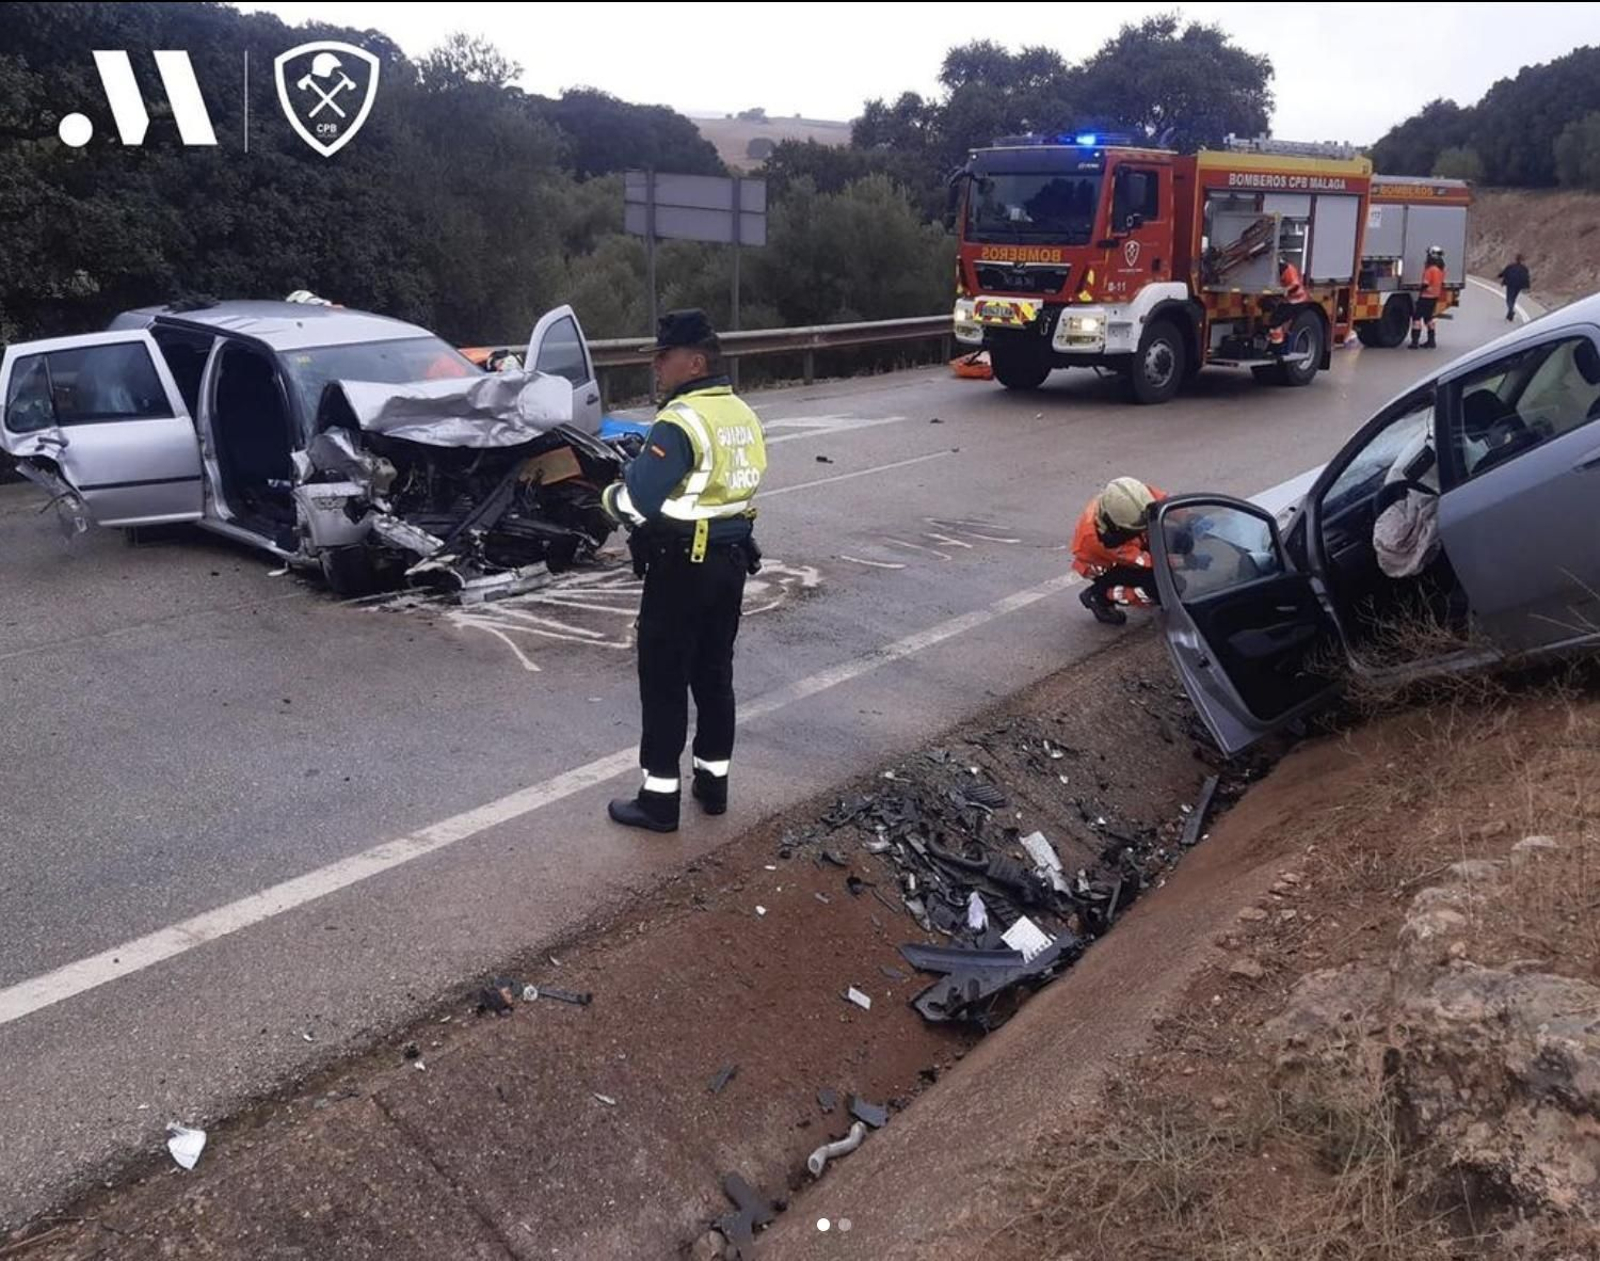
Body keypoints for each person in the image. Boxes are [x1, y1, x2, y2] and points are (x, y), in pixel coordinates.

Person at [601, 310, 767, 834]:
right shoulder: (740, 413)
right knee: (715, 676)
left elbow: (637, 503)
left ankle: (658, 802)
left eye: (663, 357)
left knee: (665, 681)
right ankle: (713, 788)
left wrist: (608, 494)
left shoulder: (680, 420)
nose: (656, 366)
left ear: (695, 363)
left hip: (682, 569)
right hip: (731, 561)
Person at [1072, 477, 1167, 625]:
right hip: (1106, 564)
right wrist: (1176, 562)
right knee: (1160, 588)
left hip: (1135, 543)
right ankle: (1100, 596)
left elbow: (1167, 507)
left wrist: (1194, 522)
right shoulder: (1102, 540)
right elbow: (1143, 561)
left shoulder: (1138, 496)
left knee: (1183, 542)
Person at [1268, 257, 1310, 353]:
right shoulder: (1283, 269)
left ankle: (1277, 347)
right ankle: (1278, 346)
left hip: (1296, 301)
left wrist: (1283, 291)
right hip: (1291, 301)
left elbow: (1294, 285)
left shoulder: (1288, 270)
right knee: (1280, 322)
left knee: (1276, 320)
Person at [1411, 246, 1447, 349]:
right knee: (1428, 318)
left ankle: (1415, 342)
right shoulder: (1441, 270)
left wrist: (1418, 289)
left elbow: (1426, 284)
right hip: (1434, 297)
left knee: (1417, 317)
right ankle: (1431, 341)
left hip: (1426, 296)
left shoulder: (1430, 270)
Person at [1497, 254, 1531, 323]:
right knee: (1513, 298)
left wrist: (1499, 276)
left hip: (1510, 284)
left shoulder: (1510, 266)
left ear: (1516, 259)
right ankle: (1510, 312)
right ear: (1522, 260)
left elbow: (1504, 273)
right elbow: (1526, 278)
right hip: (1518, 286)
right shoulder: (1524, 269)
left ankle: (1510, 311)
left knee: (1509, 299)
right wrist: (1527, 287)